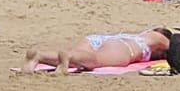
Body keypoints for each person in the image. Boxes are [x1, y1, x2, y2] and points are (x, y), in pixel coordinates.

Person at [24, 28, 172, 72]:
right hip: (123, 47)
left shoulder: (134, 33)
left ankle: (39, 56)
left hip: (98, 38)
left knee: (80, 60)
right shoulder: (157, 38)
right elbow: (175, 46)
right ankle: (68, 56)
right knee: (95, 60)